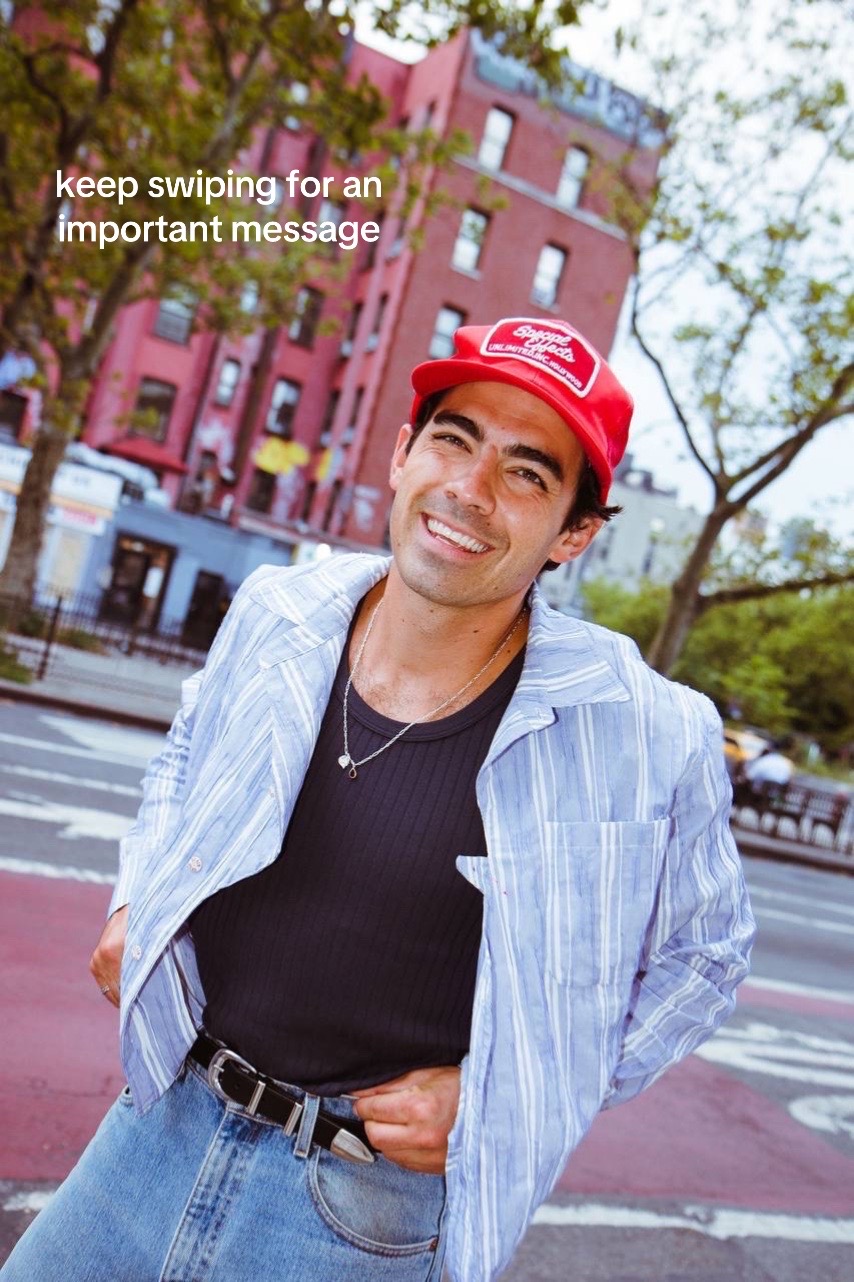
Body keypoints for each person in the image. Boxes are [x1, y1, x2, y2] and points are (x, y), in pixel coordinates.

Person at [2, 317, 755, 1282]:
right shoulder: (278, 611)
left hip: (360, 1213)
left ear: (575, 532)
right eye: (453, 440)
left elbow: (706, 953)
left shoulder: (645, 729)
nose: (470, 489)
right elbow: (187, 757)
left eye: (527, 473)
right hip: (156, 1122)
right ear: (402, 455)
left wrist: (505, 1097)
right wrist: (136, 895)